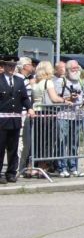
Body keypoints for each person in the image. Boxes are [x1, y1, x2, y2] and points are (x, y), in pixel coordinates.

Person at [0, 56, 31, 184]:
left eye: (13, 66)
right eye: (9, 66)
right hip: (1, 121)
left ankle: (11, 173)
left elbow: (24, 97)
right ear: (4, 67)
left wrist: (30, 108)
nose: (11, 68)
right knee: (0, 148)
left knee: (13, 148)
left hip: (15, 120)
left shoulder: (19, 81)